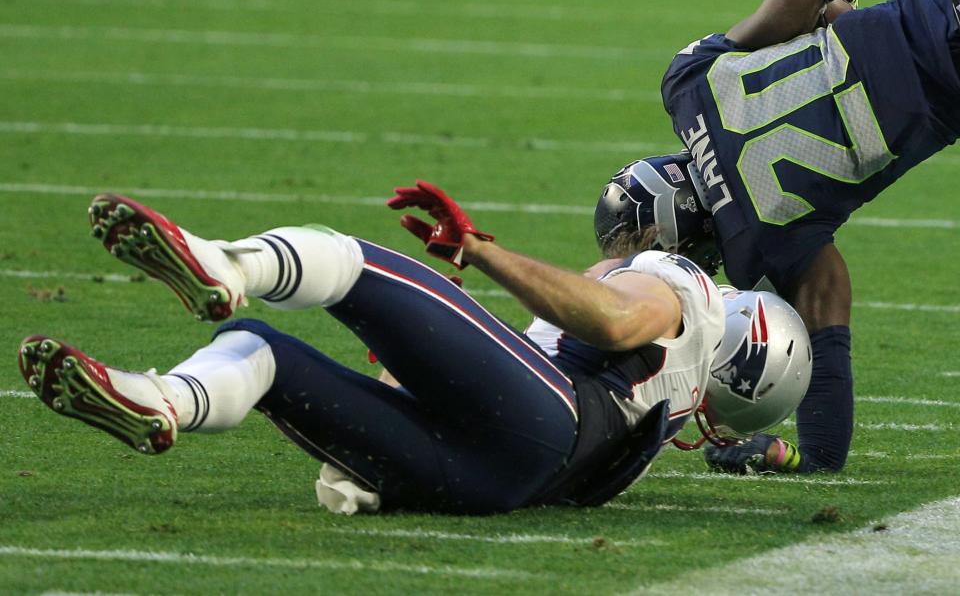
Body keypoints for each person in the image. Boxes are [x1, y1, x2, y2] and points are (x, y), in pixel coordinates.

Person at [19, 185, 808, 514]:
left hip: (548, 414)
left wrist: (481, 251)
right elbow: (516, 399)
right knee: (257, 355)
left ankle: (226, 265)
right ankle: (157, 402)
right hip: (496, 482)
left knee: (352, 264)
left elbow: (611, 320)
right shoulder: (673, 410)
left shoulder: (690, 296)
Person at [597, 0, 960, 474]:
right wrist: (840, 20)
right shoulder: (687, 83)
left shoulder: (765, 248)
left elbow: (829, 326)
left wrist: (810, 457)